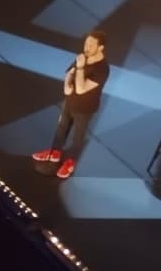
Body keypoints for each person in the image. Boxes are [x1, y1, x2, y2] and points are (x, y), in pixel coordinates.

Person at [34, 29, 109, 179]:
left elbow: (81, 89)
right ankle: (54, 153)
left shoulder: (102, 69)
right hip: (70, 101)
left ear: (100, 48)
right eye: (86, 44)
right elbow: (69, 72)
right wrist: (67, 87)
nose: (86, 48)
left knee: (77, 137)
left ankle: (70, 162)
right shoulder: (83, 57)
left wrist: (80, 67)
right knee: (61, 127)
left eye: (91, 45)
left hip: (85, 108)